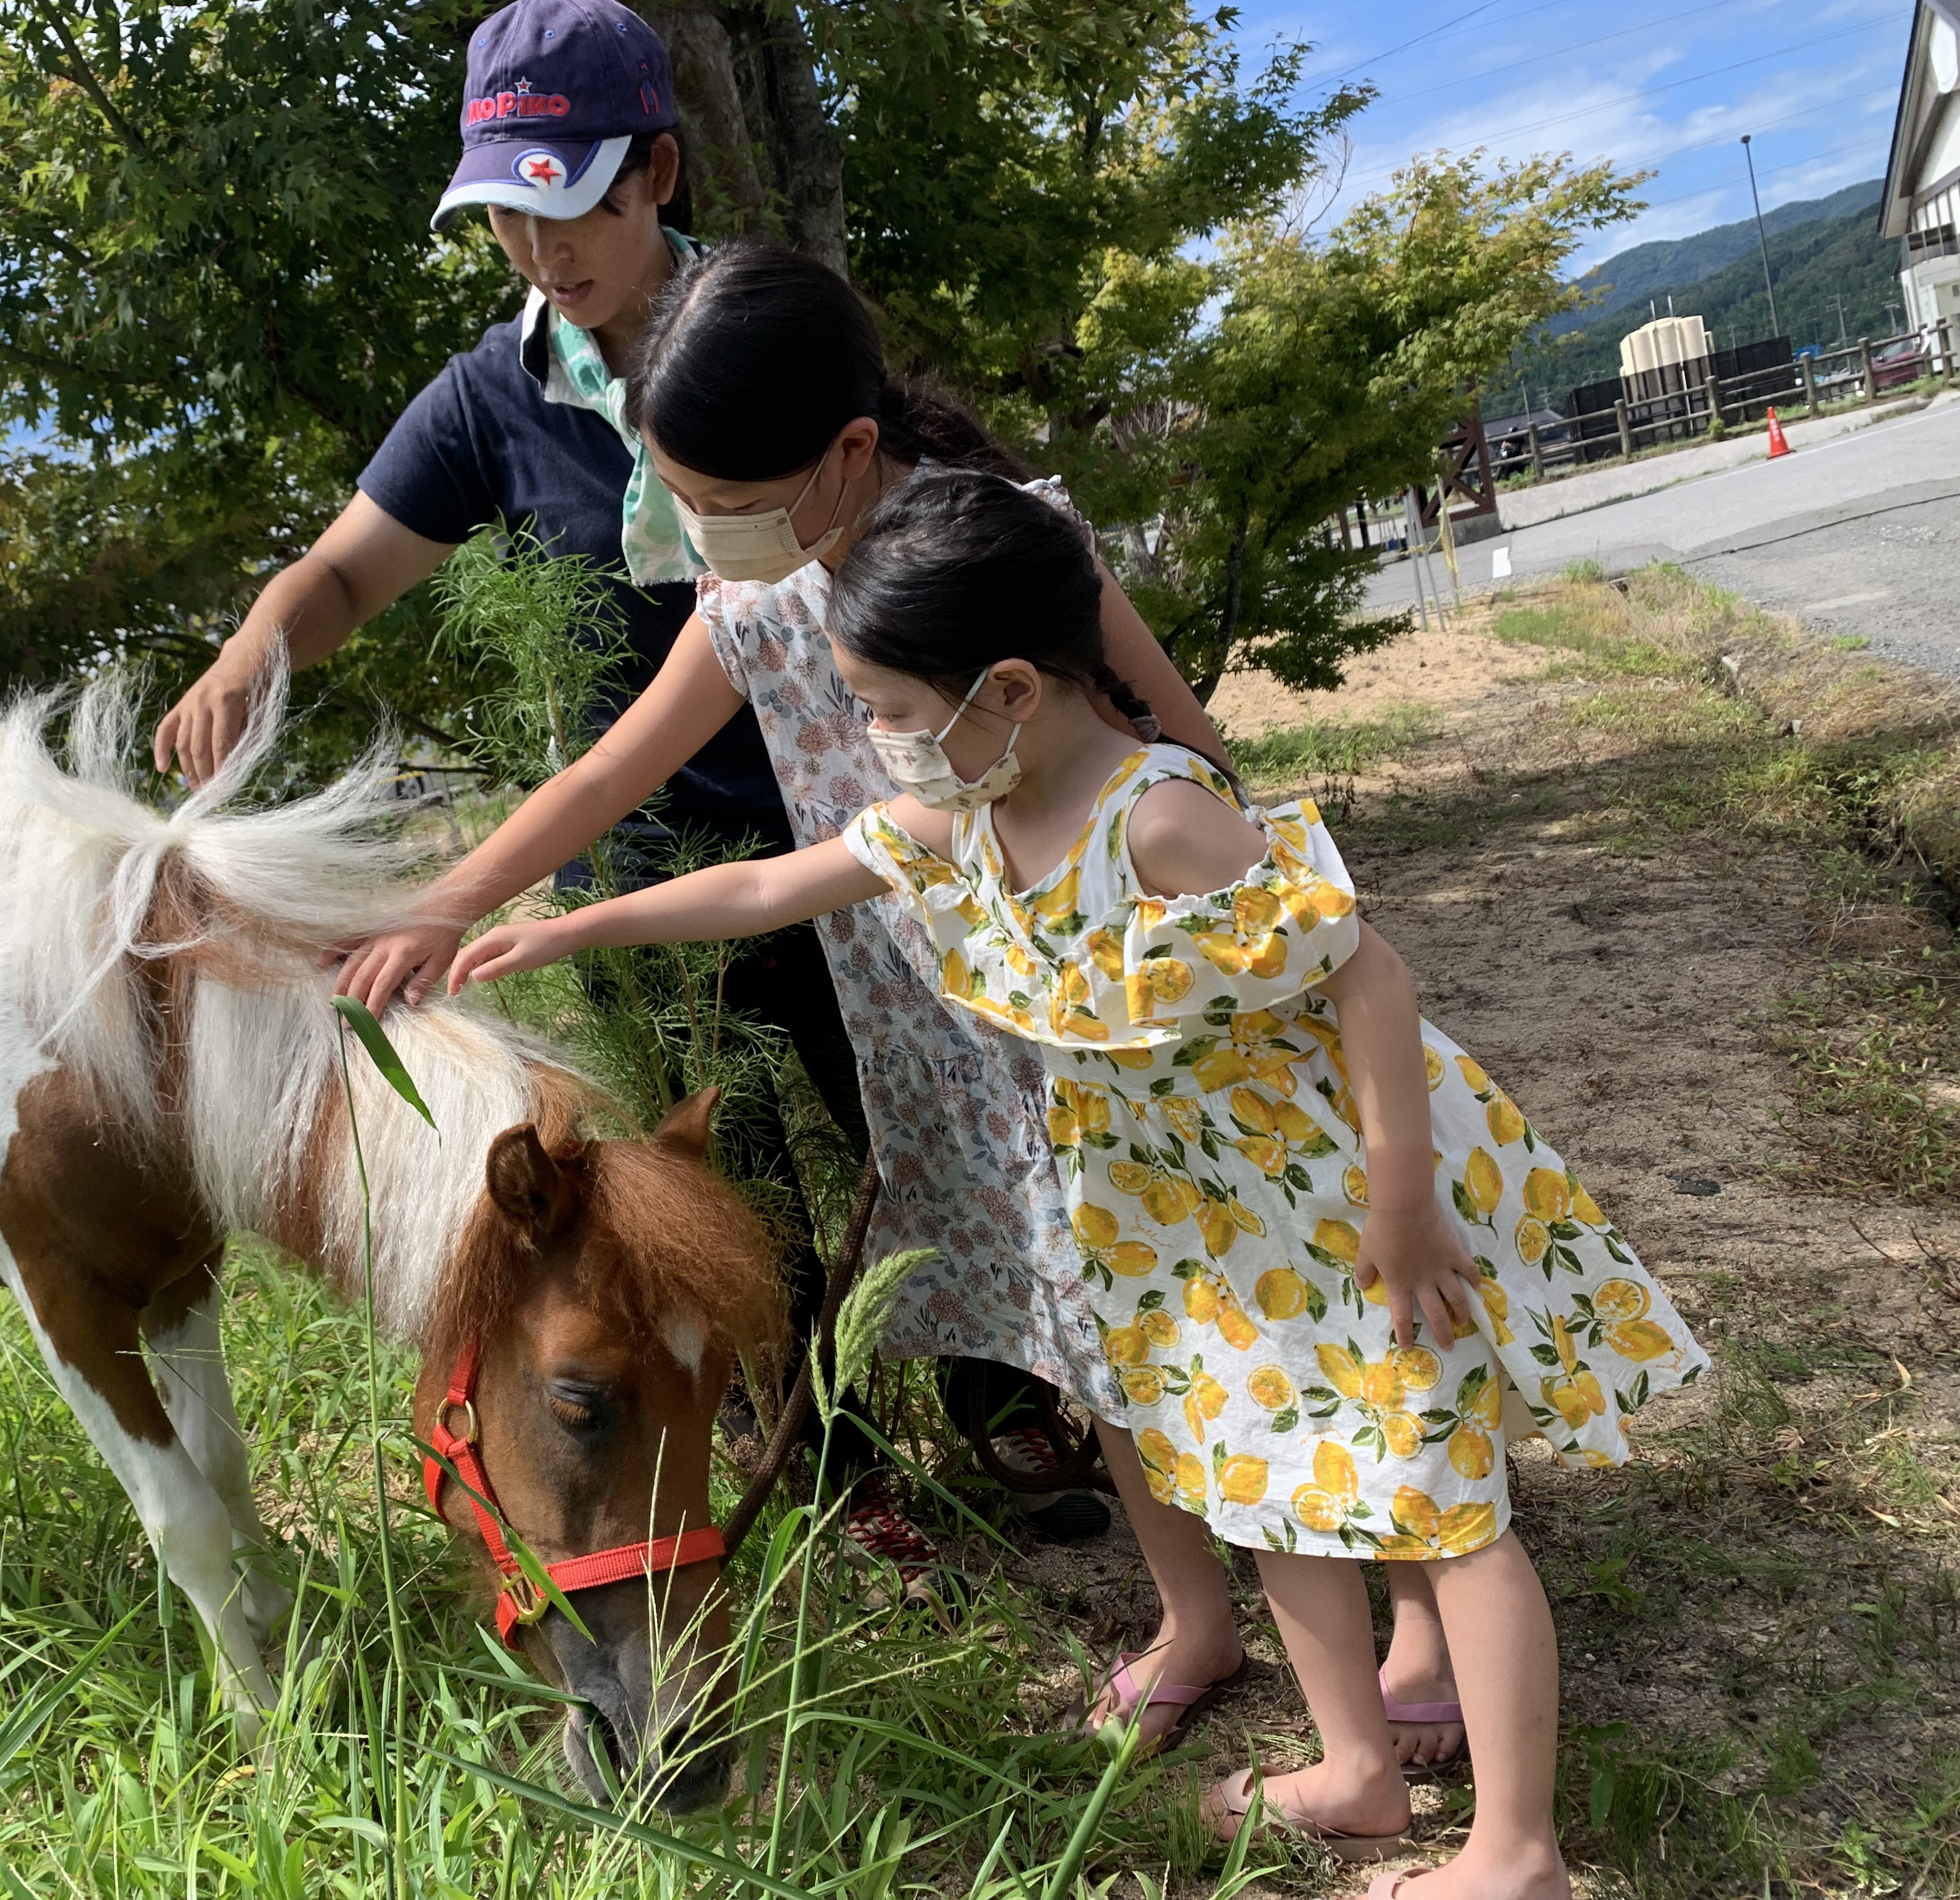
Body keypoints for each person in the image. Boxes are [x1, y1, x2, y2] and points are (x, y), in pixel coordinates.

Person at [443, 468, 1709, 1897]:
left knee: (1441, 1504)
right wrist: (561, 932)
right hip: (1190, 1226)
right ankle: (1356, 1766)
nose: (877, 743)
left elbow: (1373, 981)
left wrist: (1403, 1198)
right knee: (1268, 1484)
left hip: (1334, 1200)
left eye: (893, 713)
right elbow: (759, 889)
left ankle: (1518, 1849)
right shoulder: (964, 825)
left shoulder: (1158, 817)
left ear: (1010, 691)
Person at [151, 0, 966, 1582]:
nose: (540, 248)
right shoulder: (488, 397)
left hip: (859, 807)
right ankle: (818, 1450)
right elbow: (346, 568)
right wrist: (264, 637)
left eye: (570, 197)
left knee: (914, 1109)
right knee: (725, 1189)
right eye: (505, 213)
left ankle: (1010, 1395)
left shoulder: (755, 332)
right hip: (645, 843)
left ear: (656, 168)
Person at [332, 240, 1228, 1603]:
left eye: (730, 501)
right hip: (934, 1020)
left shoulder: (1002, 544)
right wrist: (456, 910)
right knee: (1085, 1312)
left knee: (1196, 1288)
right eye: (683, 502)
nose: (708, 538)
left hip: (1099, 990)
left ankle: (1347, 1556)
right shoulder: (755, 595)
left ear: (851, 451)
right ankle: (1200, 1614)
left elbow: (1187, 745)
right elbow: (611, 771)